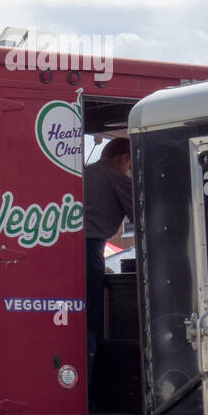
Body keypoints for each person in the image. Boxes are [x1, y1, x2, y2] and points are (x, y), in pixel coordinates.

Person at [84, 138, 134, 376]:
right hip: (90, 249)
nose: (129, 172)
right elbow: (143, 213)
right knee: (90, 322)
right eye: (130, 166)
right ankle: (87, 386)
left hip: (71, 251)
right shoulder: (114, 177)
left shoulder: (86, 172)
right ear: (123, 158)